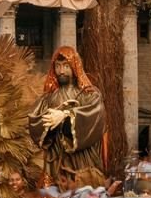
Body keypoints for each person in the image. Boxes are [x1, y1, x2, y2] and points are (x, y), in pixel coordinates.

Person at [29, 46, 105, 187]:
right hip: (56, 159)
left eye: (65, 66)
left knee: (82, 190)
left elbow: (95, 118)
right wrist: (48, 123)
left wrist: (65, 116)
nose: (61, 71)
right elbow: (35, 120)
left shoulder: (89, 95)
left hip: (81, 159)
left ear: (75, 66)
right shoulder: (48, 98)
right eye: (57, 66)